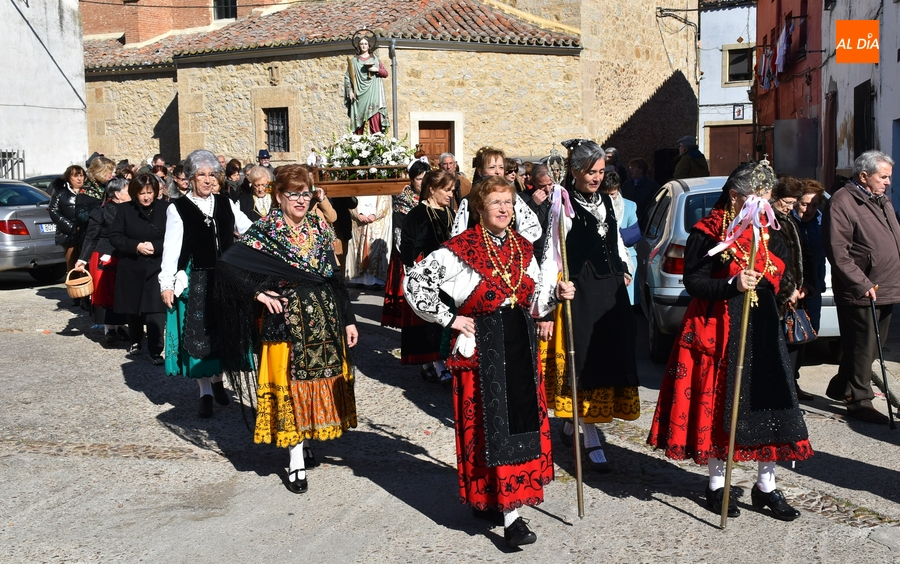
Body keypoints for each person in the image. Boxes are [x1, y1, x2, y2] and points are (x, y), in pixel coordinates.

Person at [404, 175, 574, 548]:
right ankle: (510, 517)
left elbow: (534, 304)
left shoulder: (523, 249)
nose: (503, 209)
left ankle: (499, 501)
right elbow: (414, 283)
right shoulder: (459, 249)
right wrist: (449, 318)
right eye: (495, 202)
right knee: (490, 431)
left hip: (520, 346)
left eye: (508, 203)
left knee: (519, 427)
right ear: (479, 209)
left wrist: (557, 296)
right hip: (482, 353)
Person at [647, 160, 811, 522]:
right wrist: (731, 285)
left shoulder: (770, 228)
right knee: (722, 404)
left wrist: (786, 286)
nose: (763, 204)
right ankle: (717, 483)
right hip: (720, 326)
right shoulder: (707, 231)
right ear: (736, 196)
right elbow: (694, 281)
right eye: (757, 197)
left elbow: (784, 271)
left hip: (762, 326)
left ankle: (766, 486)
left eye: (766, 197)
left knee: (769, 404)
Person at [215, 164, 359, 495]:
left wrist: (349, 319)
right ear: (279, 196)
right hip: (285, 326)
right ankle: (295, 459)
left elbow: (334, 278)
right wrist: (258, 292)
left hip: (323, 323)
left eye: (306, 193)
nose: (300, 200)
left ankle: (305, 440)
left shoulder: (320, 229)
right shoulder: (266, 230)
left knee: (314, 386)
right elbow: (228, 266)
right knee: (290, 389)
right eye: (293, 194)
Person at [542, 141, 639, 472]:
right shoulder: (562, 205)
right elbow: (551, 251)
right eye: (591, 172)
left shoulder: (608, 203)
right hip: (580, 289)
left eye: (601, 172)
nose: (597, 178)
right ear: (576, 172)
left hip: (610, 289)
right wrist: (553, 290)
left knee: (610, 355)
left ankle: (576, 423)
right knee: (585, 361)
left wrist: (623, 267)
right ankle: (591, 434)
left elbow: (616, 241)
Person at [159, 150, 253, 418]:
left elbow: (249, 229)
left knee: (224, 332)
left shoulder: (226, 203)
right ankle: (206, 392)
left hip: (225, 278)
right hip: (196, 278)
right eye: (202, 175)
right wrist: (166, 283)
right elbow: (171, 249)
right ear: (189, 178)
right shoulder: (176, 209)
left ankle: (218, 380)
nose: (209, 180)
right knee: (199, 338)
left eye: (212, 174)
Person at [824, 150, 898, 424]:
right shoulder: (843, 202)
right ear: (864, 176)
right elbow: (838, 251)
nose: (888, 182)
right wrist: (861, 282)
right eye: (883, 177)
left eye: (889, 177)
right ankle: (859, 400)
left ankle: (841, 385)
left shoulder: (880, 200)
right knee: (861, 346)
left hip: (887, 285)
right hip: (862, 289)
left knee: (872, 348)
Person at [397, 170, 456, 382]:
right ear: (432, 189)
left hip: (448, 274)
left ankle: (437, 362)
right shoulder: (417, 214)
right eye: (446, 190)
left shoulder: (450, 213)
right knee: (431, 321)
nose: (450, 195)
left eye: (452, 190)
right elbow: (408, 247)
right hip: (427, 275)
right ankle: (434, 363)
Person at [109, 174, 168, 365]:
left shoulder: (166, 209)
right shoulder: (125, 210)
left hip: (156, 265)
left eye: (150, 192)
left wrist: (156, 247)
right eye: (142, 193)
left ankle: (156, 350)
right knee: (133, 308)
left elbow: (175, 236)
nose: (146, 197)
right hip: (132, 265)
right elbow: (115, 237)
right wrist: (136, 246)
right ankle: (135, 339)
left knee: (155, 310)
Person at [74, 178, 131, 344]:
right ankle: (109, 328)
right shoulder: (101, 212)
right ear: (117, 194)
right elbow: (91, 236)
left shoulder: (132, 210)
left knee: (123, 292)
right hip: (104, 255)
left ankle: (121, 325)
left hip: (125, 255)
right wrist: (82, 259)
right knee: (106, 293)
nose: (131, 193)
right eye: (128, 190)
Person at [769, 176, 807, 398]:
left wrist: (803, 286)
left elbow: (800, 256)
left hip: (794, 294)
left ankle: (790, 390)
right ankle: (780, 393)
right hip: (779, 296)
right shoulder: (770, 220)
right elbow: (775, 262)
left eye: (794, 202)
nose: (791, 207)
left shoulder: (788, 218)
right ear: (775, 197)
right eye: (788, 202)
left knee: (794, 344)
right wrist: (787, 291)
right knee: (778, 347)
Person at [382, 159, 428, 330]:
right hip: (409, 252)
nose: (422, 183)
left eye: (425, 178)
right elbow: (399, 231)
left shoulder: (430, 199)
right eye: (418, 179)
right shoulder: (402, 201)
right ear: (411, 180)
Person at [791, 179, 827, 400]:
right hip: (793, 290)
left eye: (814, 205)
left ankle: (794, 380)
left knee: (807, 333)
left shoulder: (821, 222)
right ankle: (788, 383)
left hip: (813, 288)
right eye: (805, 204)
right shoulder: (787, 221)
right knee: (790, 337)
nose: (809, 210)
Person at [598, 170, 640, 304]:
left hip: (626, 257)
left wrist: (615, 236)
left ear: (618, 189)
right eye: (606, 194)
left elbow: (634, 235)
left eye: (613, 194)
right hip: (604, 258)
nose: (609, 198)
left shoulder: (630, 206)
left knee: (627, 303)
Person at [344, 36, 389, 134]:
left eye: (365, 44)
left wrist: (376, 70)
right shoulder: (354, 61)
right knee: (360, 121)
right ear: (358, 46)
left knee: (374, 117)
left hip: (373, 93)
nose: (363, 46)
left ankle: (376, 143)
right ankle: (359, 145)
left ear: (369, 46)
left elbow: (385, 73)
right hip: (359, 95)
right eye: (361, 44)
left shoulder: (375, 60)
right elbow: (348, 77)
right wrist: (350, 91)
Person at [345, 192, 392, 287]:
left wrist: (375, 214)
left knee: (374, 249)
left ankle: (376, 281)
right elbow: (350, 200)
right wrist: (358, 214)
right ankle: (358, 280)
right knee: (358, 249)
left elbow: (385, 201)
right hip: (359, 219)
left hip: (377, 219)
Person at [49, 165, 86, 275]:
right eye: (76, 176)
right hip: (69, 236)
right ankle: (74, 291)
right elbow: (53, 211)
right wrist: (71, 227)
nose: (79, 179)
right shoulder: (60, 193)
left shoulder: (88, 192)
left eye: (81, 175)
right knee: (73, 267)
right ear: (69, 177)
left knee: (87, 267)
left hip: (87, 234)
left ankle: (88, 291)